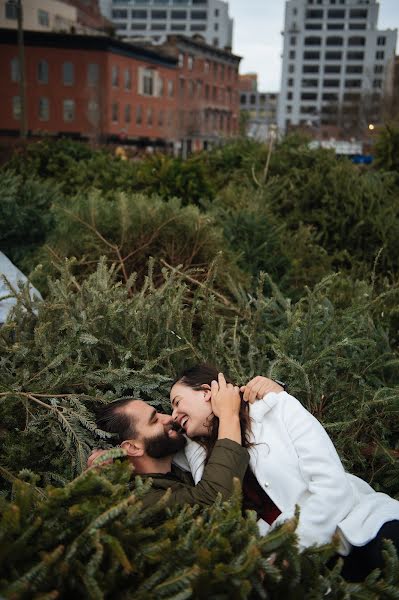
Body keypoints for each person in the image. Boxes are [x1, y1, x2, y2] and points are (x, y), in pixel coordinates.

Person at [170, 364, 399, 582]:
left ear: (207, 391)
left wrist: (288, 547)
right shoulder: (199, 455)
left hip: (358, 525)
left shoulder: (274, 408)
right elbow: (150, 440)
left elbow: (332, 486)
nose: (173, 414)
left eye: (177, 402)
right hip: (303, 569)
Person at [88, 373, 249, 510]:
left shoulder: (178, 468)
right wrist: (229, 414)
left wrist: (272, 387)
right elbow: (214, 500)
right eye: (154, 420)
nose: (169, 418)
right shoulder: (141, 500)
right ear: (132, 447)